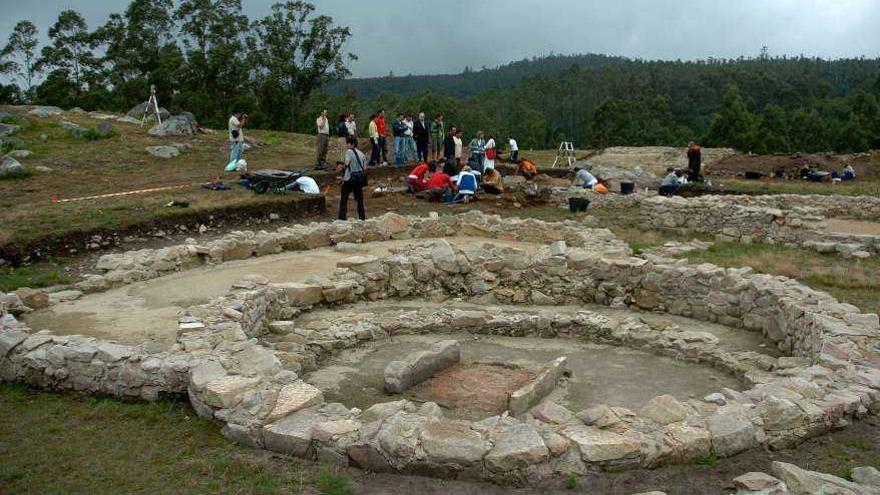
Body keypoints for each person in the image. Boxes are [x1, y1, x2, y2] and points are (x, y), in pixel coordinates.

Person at [338, 138, 367, 220]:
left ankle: (342, 217)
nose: (347, 145)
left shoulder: (349, 152)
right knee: (360, 200)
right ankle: (362, 217)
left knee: (344, 198)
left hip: (350, 179)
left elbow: (347, 164)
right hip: (359, 179)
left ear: (352, 144)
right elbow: (365, 168)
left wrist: (341, 167)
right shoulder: (362, 154)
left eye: (348, 143)